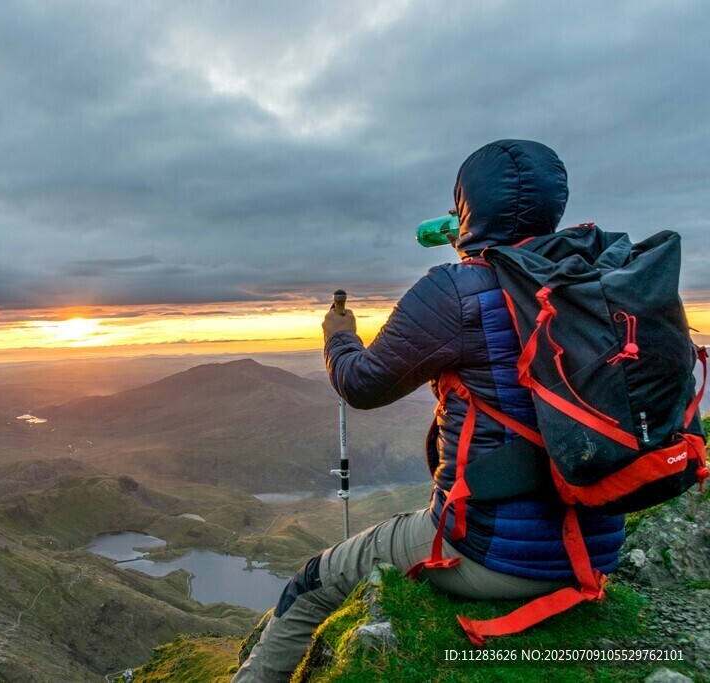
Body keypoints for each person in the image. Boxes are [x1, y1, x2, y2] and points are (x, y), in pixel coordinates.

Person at [232, 140, 626, 682]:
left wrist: (339, 336)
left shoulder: (455, 291)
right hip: (598, 545)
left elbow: (361, 384)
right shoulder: (600, 282)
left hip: (490, 553)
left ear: (468, 205)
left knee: (313, 581)